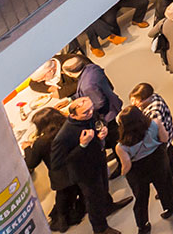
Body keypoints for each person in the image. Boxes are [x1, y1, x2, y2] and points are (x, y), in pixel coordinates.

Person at [52, 98, 126, 234]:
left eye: (92, 109)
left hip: (98, 159)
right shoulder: (64, 135)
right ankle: (100, 228)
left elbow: (100, 120)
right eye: (86, 112)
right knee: (94, 200)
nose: (91, 113)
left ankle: (108, 206)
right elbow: (58, 163)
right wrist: (82, 145)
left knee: (104, 187)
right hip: (84, 172)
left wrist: (103, 129)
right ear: (73, 115)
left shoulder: (91, 113)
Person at [114, 106, 173, 232]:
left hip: (138, 170)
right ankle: (172, 208)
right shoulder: (155, 124)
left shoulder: (121, 146)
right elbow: (164, 139)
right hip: (158, 160)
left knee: (141, 197)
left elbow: (126, 165)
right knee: (165, 186)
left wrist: (123, 173)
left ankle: (143, 225)